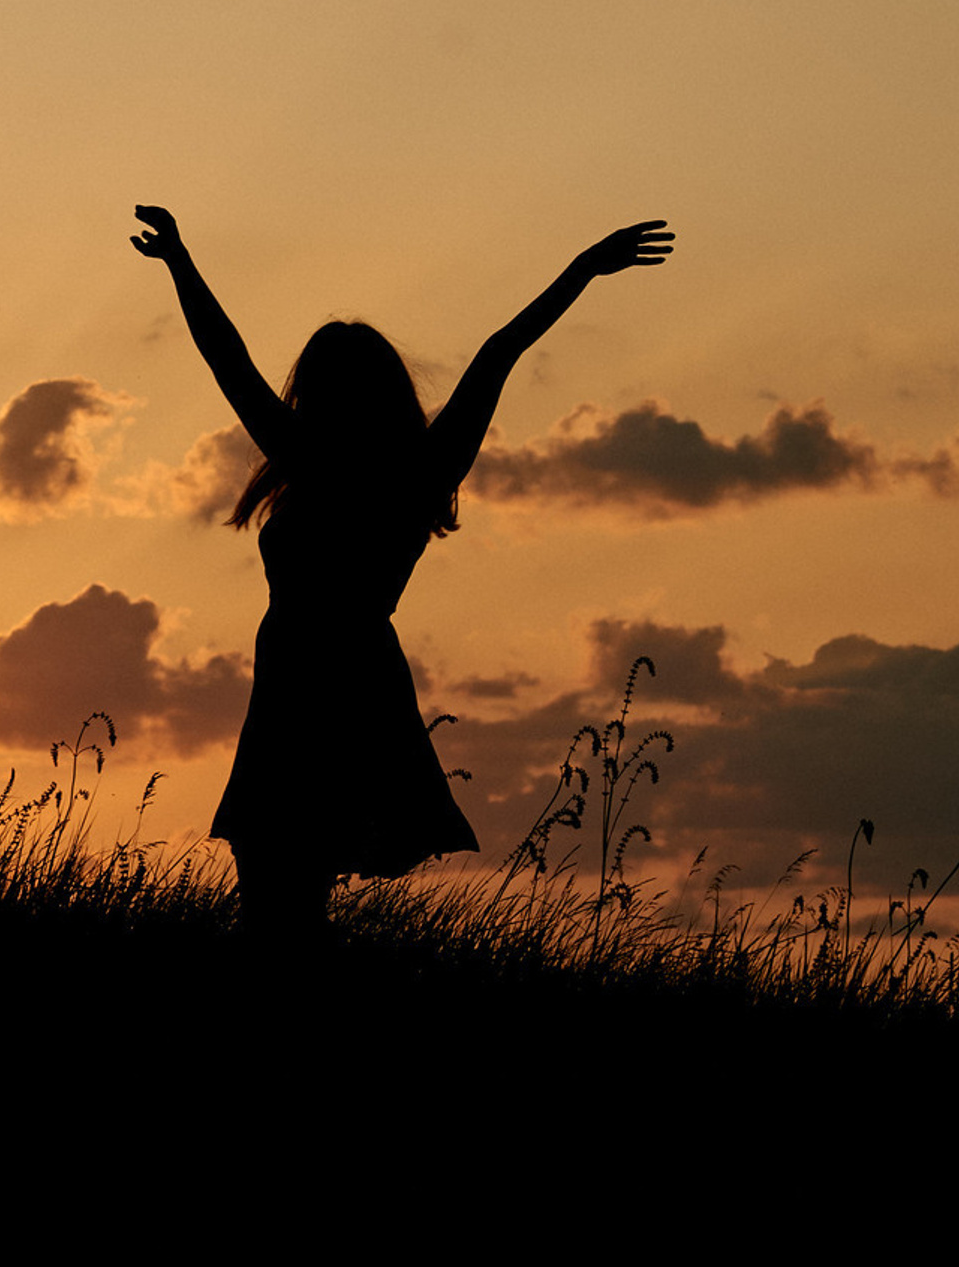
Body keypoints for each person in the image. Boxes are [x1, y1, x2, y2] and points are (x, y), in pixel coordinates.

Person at [130, 204, 675, 942]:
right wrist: (582, 268)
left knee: (274, 900)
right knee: (285, 896)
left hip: (314, 683)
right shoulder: (413, 469)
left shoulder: (323, 462)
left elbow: (231, 361)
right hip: (333, 680)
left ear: (318, 395)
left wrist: (183, 265)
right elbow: (498, 351)